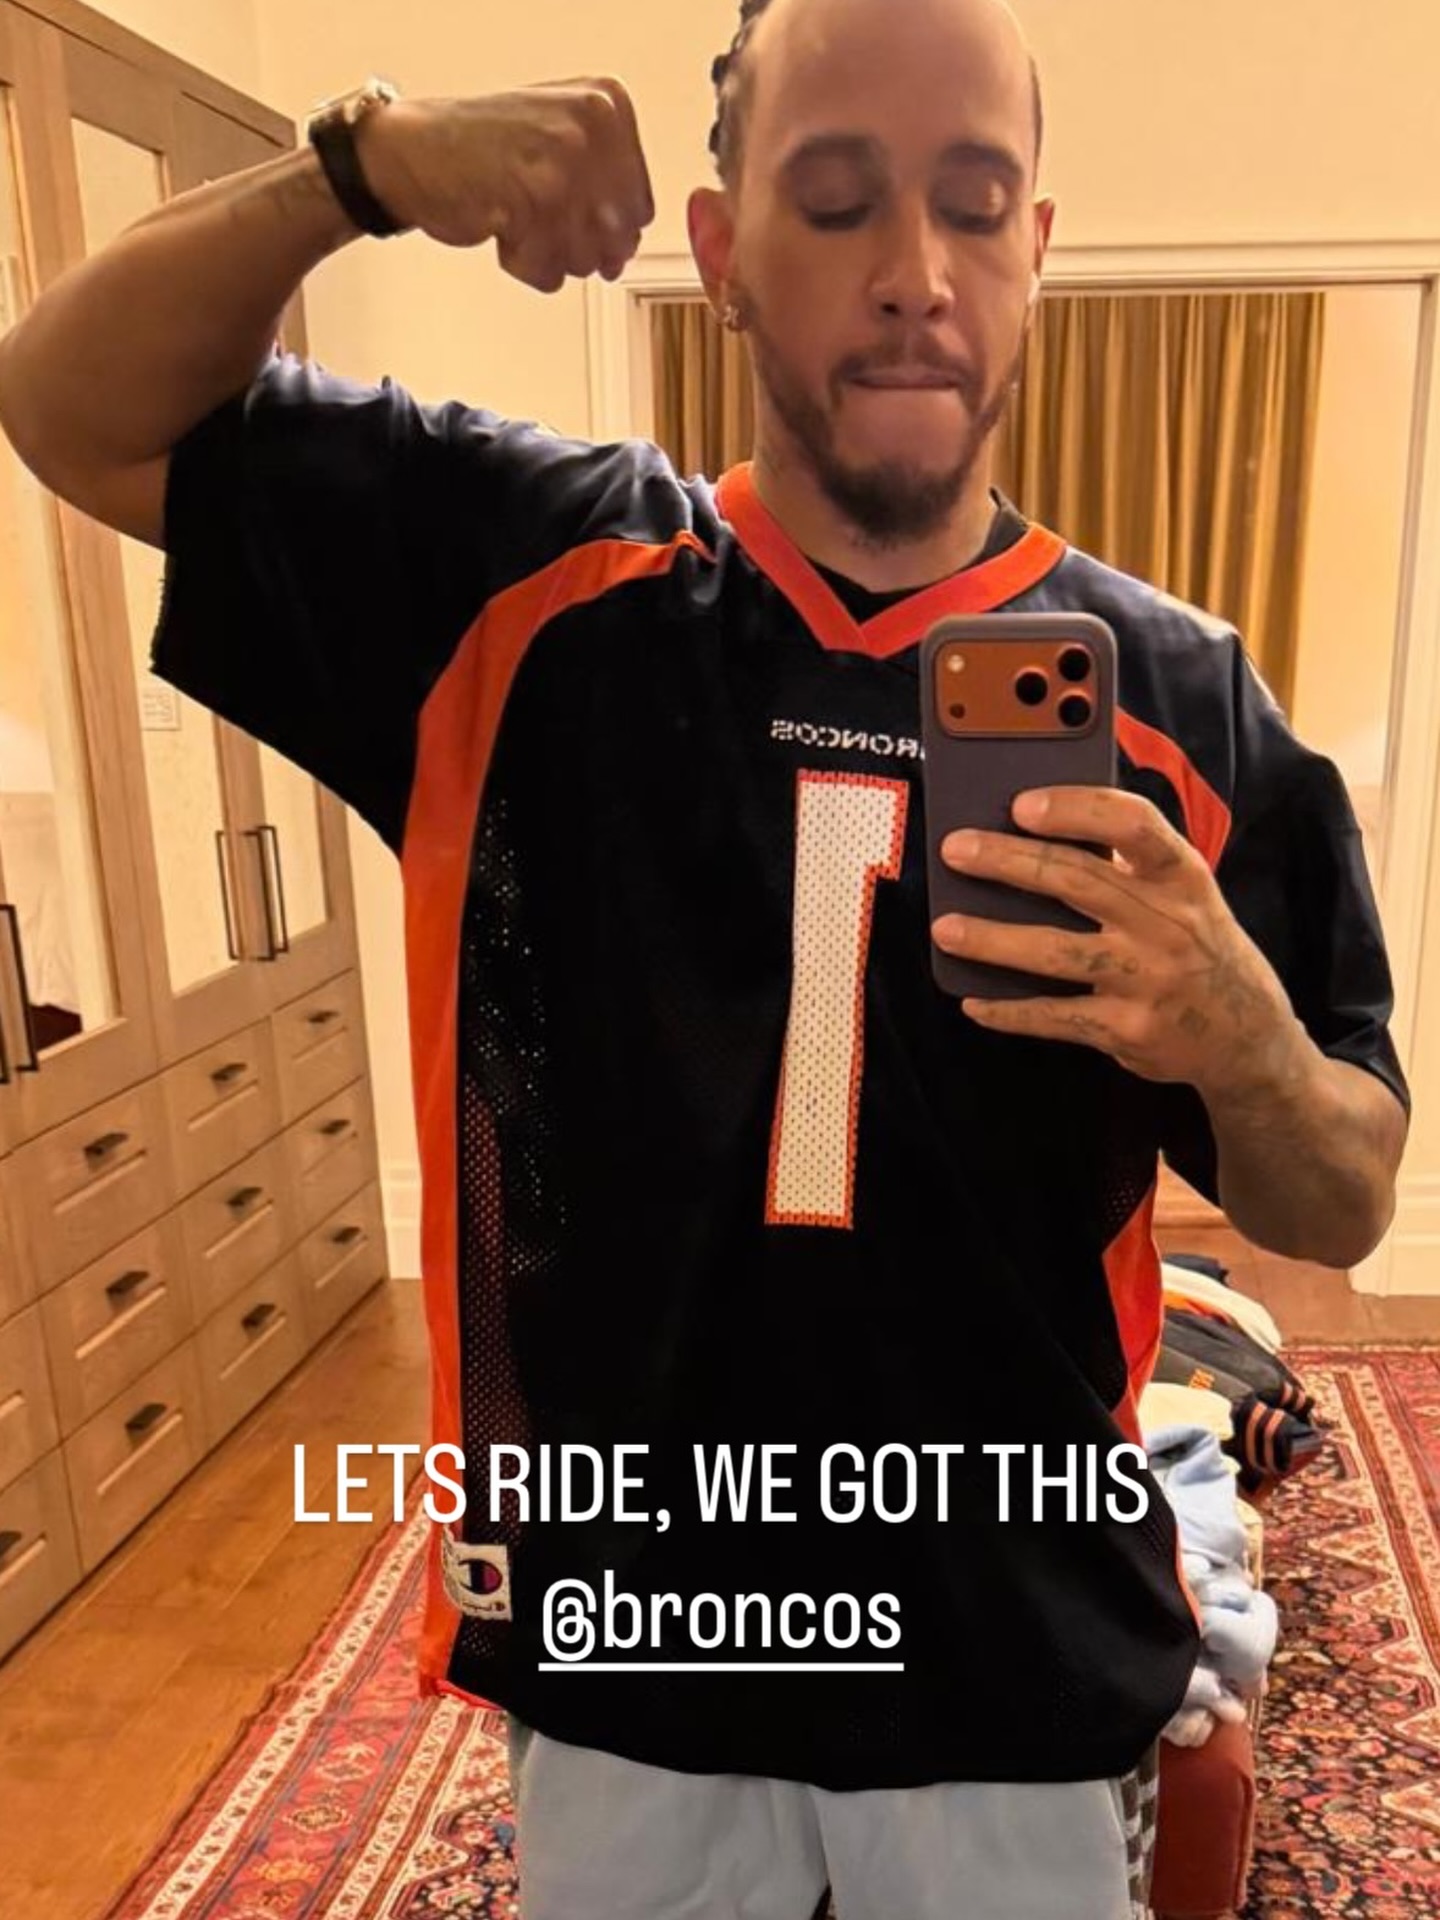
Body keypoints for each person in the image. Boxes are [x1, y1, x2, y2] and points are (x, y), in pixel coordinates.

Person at [0, 0, 1410, 1914]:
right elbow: (70, 402)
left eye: (970, 205)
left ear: (1035, 252)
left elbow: (1342, 1199)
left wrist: (1240, 1035)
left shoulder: (1186, 706)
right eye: (837, 201)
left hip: (1009, 1649)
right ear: (725, 251)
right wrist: (356, 170)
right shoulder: (522, 582)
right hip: (635, 1652)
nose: (913, 272)